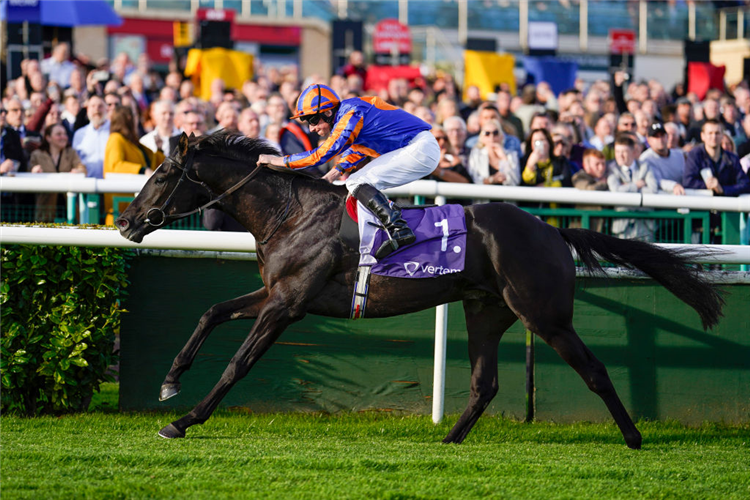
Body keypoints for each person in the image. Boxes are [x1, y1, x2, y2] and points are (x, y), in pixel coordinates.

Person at [257, 83, 439, 259]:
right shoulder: (349, 112)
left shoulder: (351, 113)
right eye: (307, 122)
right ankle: (391, 227)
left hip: (420, 148)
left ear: (328, 112)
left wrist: (277, 160)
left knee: (356, 182)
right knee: (356, 181)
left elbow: (321, 155)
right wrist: (332, 175)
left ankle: (398, 229)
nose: (312, 128)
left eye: (313, 120)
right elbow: (358, 149)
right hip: (419, 148)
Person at [103, 105, 164, 225]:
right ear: (129, 118)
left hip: (136, 210)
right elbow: (116, 166)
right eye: (136, 116)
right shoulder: (116, 138)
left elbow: (154, 160)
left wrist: (160, 149)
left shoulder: (132, 142)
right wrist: (142, 170)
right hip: (120, 211)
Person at [29, 123, 86, 221]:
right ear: (48, 138)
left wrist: (78, 171)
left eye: (64, 134)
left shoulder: (71, 153)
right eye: (58, 134)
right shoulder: (37, 155)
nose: (63, 137)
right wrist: (33, 171)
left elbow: (81, 168)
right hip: (45, 208)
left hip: (69, 209)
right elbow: (29, 169)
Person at [607, 134, 658, 241]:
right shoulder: (612, 168)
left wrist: (625, 188)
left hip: (645, 225)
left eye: (624, 152)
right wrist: (636, 185)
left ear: (633, 152)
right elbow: (616, 191)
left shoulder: (645, 166)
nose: (620, 155)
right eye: (617, 152)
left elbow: (653, 189)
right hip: (622, 227)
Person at [684, 119, 750, 198]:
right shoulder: (695, 155)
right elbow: (688, 182)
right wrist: (709, 185)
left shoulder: (732, 158)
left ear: (722, 135)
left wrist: (723, 189)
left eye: (717, 133)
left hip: (727, 206)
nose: (714, 136)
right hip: (702, 205)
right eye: (710, 133)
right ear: (702, 136)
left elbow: (745, 185)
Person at [467, 119, 520, 186]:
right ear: (482, 137)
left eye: (495, 133)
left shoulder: (511, 154)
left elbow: (515, 181)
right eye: (487, 133)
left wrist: (504, 158)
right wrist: (492, 179)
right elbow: (473, 180)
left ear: (501, 136)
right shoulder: (476, 154)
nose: (491, 137)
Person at [639, 122, 686, 195]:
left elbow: (684, 177)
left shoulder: (679, 155)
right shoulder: (645, 159)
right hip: (657, 200)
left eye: (662, 135)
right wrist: (673, 186)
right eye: (656, 137)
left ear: (667, 137)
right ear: (648, 140)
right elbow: (655, 181)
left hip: (681, 195)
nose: (660, 139)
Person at [572, 149, 612, 232]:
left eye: (603, 164)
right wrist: (604, 184)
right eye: (597, 164)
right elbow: (589, 189)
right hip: (581, 231)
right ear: (586, 165)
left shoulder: (609, 177)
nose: (601, 168)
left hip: (599, 230)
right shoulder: (578, 177)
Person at [72, 95, 110, 179]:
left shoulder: (114, 131)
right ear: (87, 109)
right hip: (87, 185)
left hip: (111, 184)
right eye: (93, 106)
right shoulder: (80, 134)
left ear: (106, 109)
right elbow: (75, 160)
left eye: (100, 106)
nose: (96, 109)